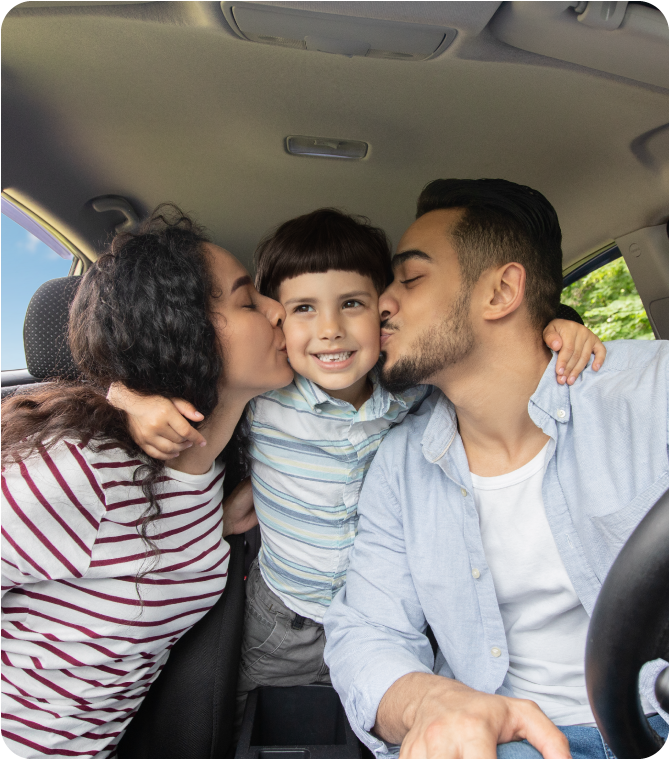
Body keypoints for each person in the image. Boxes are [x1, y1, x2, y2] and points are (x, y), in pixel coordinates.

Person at [108, 206, 606, 723]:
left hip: (399, 623)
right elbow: (154, 373)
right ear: (276, 320)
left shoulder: (416, 393)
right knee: (256, 729)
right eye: (302, 308)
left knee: (378, 729)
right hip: (285, 618)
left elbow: (492, 364)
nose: (330, 330)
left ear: (384, 311)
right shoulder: (266, 394)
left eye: (351, 303)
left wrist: (561, 326)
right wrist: (129, 399)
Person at [322, 179, 669, 759]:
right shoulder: (399, 467)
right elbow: (367, 628)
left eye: (409, 279)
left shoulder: (652, 392)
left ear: (501, 291)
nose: (381, 302)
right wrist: (428, 702)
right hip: (505, 743)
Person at [0, 206, 293, 759]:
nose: (280, 311)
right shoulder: (81, 470)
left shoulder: (214, 473)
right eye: (247, 300)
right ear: (183, 331)